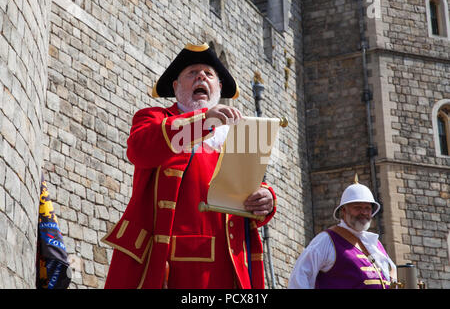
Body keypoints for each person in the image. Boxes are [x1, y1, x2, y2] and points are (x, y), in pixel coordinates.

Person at [101, 43, 276, 289]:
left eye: (209, 74)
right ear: (176, 87)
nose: (201, 76)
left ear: (219, 88)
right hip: (168, 266)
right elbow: (139, 150)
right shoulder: (154, 118)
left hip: (229, 269)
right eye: (192, 73)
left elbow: (248, 188)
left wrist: (266, 198)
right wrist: (203, 121)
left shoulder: (240, 135)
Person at [288, 175, 396, 289]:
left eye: (367, 208)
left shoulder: (375, 244)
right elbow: (300, 277)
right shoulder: (327, 240)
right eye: (358, 207)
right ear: (344, 211)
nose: (364, 212)